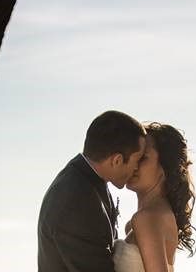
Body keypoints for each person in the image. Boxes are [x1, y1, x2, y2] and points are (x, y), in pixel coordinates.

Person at [37, 110, 147, 272]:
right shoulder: (75, 200)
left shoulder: (87, 181)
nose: (137, 168)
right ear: (117, 160)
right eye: (137, 160)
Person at [113, 122, 196, 272]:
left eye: (142, 158)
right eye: (133, 156)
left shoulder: (147, 218)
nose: (134, 165)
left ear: (165, 166)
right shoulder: (159, 214)